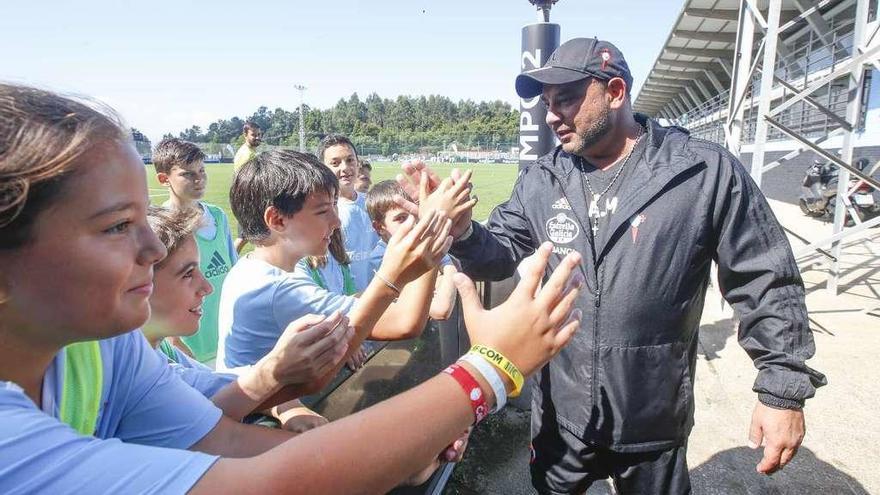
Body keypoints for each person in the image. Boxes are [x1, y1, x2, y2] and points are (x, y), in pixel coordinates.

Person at [0, 82, 586, 493]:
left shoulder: (102, 347)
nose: (151, 253)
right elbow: (267, 484)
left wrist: (392, 458)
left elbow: (228, 444)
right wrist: (491, 368)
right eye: (116, 227)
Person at [396, 38, 827, 494]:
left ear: (616, 92)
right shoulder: (543, 178)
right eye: (546, 103)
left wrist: (782, 389)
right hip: (561, 417)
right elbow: (499, 253)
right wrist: (463, 230)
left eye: (566, 99)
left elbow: (766, 279)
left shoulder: (701, 171)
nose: (550, 115)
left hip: (652, 420)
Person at [216, 149, 473, 371]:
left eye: (334, 208)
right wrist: (433, 223)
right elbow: (404, 322)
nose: (337, 221)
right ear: (278, 220)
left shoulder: (251, 270)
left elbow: (348, 306)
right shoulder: (279, 291)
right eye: (322, 211)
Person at [144, 206, 334, 432]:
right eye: (187, 274)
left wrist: (287, 408)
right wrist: (276, 369)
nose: (207, 287)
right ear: (137, 284)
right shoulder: (129, 375)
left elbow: (218, 383)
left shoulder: (161, 352)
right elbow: (197, 427)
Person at [153, 138, 236, 363]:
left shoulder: (217, 216)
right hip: (191, 348)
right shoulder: (161, 227)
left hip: (227, 338)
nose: (199, 179)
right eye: (188, 174)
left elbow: (233, 271)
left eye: (202, 170)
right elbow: (156, 292)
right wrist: (174, 341)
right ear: (164, 179)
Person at [367, 180, 457, 321]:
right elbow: (440, 309)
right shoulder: (380, 260)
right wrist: (446, 273)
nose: (413, 223)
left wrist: (447, 272)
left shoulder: (421, 247)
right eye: (401, 218)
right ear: (379, 227)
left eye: (415, 214)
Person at [317, 134, 379, 292]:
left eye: (350, 160)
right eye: (335, 163)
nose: (345, 168)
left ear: (358, 164)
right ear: (323, 168)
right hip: (345, 302)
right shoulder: (321, 213)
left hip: (378, 296)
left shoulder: (373, 203)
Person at [233, 121, 262, 253]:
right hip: (247, 200)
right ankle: (230, 260)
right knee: (244, 237)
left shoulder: (249, 152)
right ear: (245, 135)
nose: (257, 137)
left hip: (248, 199)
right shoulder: (247, 154)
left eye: (259, 134)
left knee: (254, 234)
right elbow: (245, 180)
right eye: (254, 135)